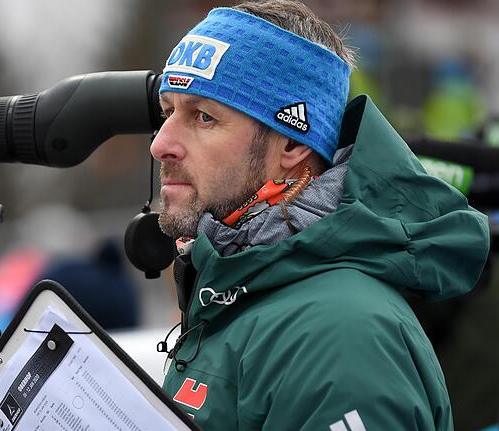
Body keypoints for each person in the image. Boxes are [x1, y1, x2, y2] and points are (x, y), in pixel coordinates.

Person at [151, 2, 490, 430]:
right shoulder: (240, 288)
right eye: (168, 112)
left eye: (204, 117)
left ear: (291, 145)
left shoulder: (340, 336)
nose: (161, 144)